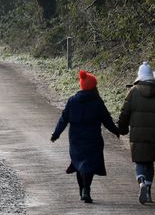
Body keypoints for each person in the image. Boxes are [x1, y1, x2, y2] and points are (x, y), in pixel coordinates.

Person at [51, 69, 121, 203]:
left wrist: (56, 134)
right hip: (93, 138)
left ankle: (82, 189)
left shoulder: (72, 100)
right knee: (89, 164)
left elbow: (63, 119)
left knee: (79, 164)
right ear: (93, 87)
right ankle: (86, 189)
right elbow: (107, 120)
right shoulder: (97, 102)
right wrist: (116, 131)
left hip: (76, 139)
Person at [117, 61, 155, 204]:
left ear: (139, 75)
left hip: (137, 135)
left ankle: (141, 182)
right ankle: (149, 191)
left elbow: (125, 112)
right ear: (152, 76)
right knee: (149, 162)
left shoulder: (133, 91)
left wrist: (122, 128)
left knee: (139, 161)